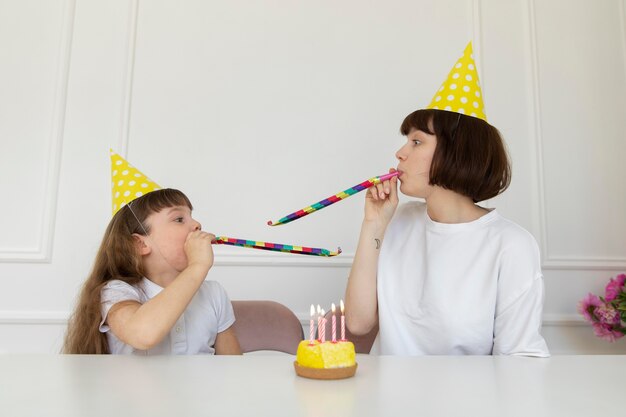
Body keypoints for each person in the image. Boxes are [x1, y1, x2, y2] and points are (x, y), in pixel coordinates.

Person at [345, 42, 549, 356]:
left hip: (469, 404)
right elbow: (358, 324)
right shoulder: (396, 222)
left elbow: (518, 361)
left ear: (456, 152)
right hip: (387, 401)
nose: (400, 153)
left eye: (416, 142)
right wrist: (373, 224)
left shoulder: (511, 245)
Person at [63, 151, 242, 355]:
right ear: (139, 244)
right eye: (179, 219)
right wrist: (198, 266)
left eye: (191, 216)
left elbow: (232, 368)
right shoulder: (116, 293)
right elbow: (143, 334)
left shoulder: (213, 294)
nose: (197, 224)